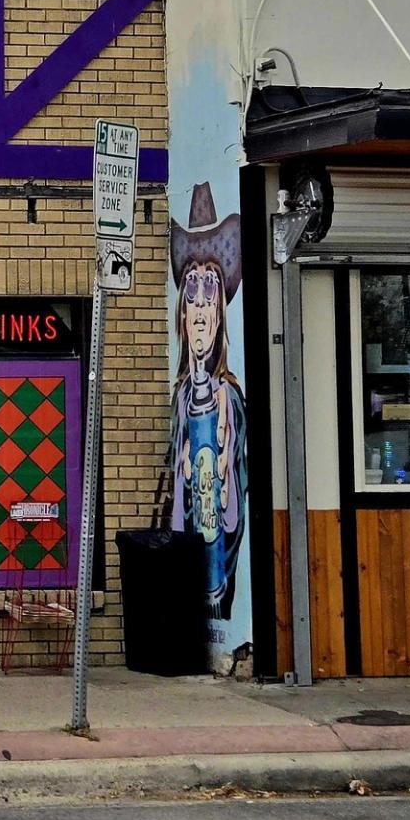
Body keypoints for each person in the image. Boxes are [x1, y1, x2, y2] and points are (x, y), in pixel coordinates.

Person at [169, 182, 248, 618]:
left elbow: (237, 491)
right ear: (182, 311)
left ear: (219, 313)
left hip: (220, 559)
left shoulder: (229, 398)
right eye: (191, 291)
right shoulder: (181, 397)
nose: (199, 307)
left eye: (209, 292)